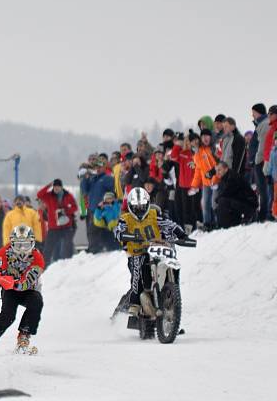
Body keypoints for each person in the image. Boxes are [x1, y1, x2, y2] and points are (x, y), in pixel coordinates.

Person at [113, 188, 188, 317]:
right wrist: (122, 234)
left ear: (148, 204)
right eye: (136, 207)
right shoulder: (125, 219)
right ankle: (135, 302)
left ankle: (174, 304)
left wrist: (182, 234)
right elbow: (118, 230)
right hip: (136, 252)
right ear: (130, 207)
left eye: (142, 206)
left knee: (173, 264)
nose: (140, 209)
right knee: (138, 266)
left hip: (156, 250)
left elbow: (170, 225)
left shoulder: (155, 216)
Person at [0, 225, 44, 354]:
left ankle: (24, 335)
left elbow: (30, 278)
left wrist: (16, 283)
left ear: (32, 244)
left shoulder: (37, 257)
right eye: (18, 245)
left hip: (29, 290)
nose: (22, 249)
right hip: (9, 289)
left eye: (26, 245)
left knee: (37, 302)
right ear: (12, 243)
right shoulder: (3, 252)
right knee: (8, 315)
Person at [36, 180, 78, 263]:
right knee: (48, 249)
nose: (56, 188)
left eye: (58, 186)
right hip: (53, 227)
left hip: (66, 226)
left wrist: (66, 211)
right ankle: (43, 267)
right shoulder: (49, 196)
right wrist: (48, 185)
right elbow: (39, 194)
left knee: (67, 247)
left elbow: (75, 207)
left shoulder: (68, 195)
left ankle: (68, 265)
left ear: (61, 187)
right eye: (55, 186)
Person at [80, 165, 115, 253]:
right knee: (92, 231)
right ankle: (94, 249)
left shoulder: (107, 178)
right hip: (92, 209)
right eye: (96, 168)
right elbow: (84, 190)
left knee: (104, 229)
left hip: (104, 209)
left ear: (104, 168)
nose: (98, 169)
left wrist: (110, 204)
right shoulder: (92, 179)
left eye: (99, 167)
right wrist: (85, 178)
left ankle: (110, 248)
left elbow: (114, 191)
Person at [189, 129, 219, 230]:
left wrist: (215, 179)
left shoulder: (206, 149)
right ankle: (207, 223)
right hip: (206, 183)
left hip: (215, 180)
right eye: (192, 141)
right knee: (205, 203)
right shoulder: (196, 155)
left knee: (214, 203)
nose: (195, 142)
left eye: (196, 139)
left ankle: (216, 222)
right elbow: (198, 171)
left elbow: (214, 164)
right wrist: (194, 185)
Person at [214, 161, 257, 228]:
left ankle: (250, 214)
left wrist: (217, 199)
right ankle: (227, 223)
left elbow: (227, 192)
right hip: (240, 201)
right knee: (221, 204)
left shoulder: (233, 176)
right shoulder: (224, 179)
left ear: (226, 169)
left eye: (219, 170)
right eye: (216, 171)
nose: (217, 173)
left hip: (249, 203)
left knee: (223, 201)